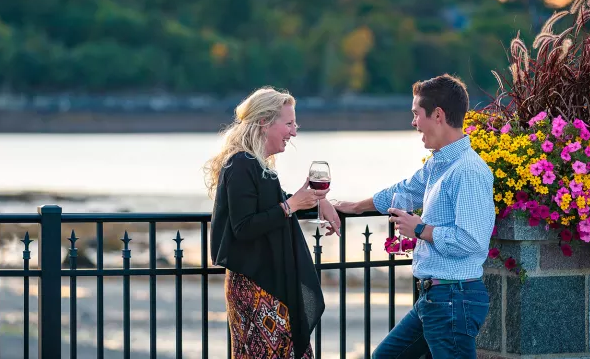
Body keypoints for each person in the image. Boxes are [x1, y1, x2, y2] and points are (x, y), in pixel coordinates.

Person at [334, 74, 495, 359]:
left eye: (415, 114)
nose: (413, 122)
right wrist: (355, 206)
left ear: (437, 115)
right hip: (435, 299)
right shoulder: (440, 163)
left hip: (453, 299)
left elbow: (472, 241)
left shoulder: (467, 171)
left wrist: (421, 229)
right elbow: (404, 191)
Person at [207, 87, 328, 359]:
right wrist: (291, 206)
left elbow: (273, 202)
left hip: (266, 281)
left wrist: (319, 201)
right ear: (264, 122)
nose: (294, 132)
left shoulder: (258, 165)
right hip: (254, 285)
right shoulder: (240, 163)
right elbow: (244, 226)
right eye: (288, 124)